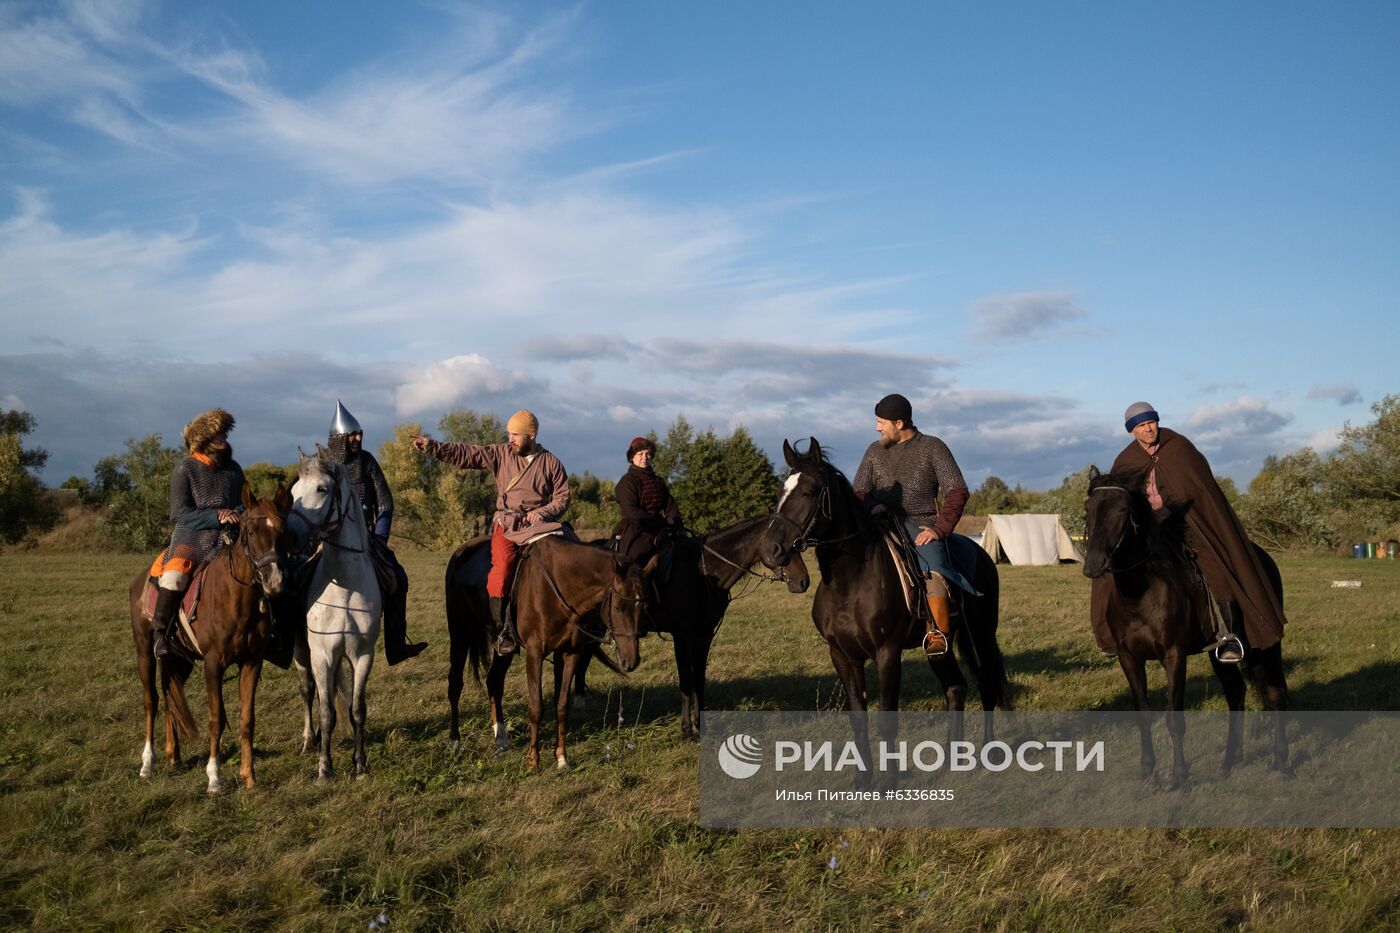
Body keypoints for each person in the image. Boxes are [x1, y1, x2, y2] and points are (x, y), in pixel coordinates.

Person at [1090, 402, 1285, 663]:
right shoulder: (1126, 460)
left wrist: (1171, 508)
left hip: (1186, 524)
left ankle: (1228, 636)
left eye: (1151, 422)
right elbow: (1118, 502)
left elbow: (1199, 491)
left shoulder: (1179, 448)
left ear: (1157, 421)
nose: (1148, 429)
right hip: (1147, 530)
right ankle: (1110, 635)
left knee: (1213, 563)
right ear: (1131, 431)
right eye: (1140, 426)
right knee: (1109, 566)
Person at [411, 410, 570, 655]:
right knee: (504, 565)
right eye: (509, 434)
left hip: (539, 525)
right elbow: (467, 454)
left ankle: (572, 621)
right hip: (507, 524)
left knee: (568, 553)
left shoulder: (551, 463)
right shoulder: (501, 453)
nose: (511, 439)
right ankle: (502, 629)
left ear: (532, 435)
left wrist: (544, 512)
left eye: (516, 435)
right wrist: (433, 447)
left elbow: (562, 497)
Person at [851, 393, 972, 657]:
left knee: (934, 569)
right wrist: (874, 506)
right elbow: (859, 491)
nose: (877, 427)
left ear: (900, 423)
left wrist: (939, 529)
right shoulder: (874, 451)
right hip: (879, 524)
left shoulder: (932, 447)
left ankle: (937, 632)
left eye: (882, 422)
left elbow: (957, 491)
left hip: (921, 525)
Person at [326, 401, 426, 664]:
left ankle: (396, 646)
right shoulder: (324, 465)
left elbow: (385, 504)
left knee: (397, 578)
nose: (358, 438)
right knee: (294, 576)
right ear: (339, 439)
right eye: (352, 434)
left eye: (359, 433)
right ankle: (288, 640)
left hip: (367, 538)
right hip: (327, 539)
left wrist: (379, 539)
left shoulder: (366, 462)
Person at [148, 408, 246, 659]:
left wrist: (235, 512)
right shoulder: (186, 468)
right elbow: (181, 513)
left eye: (225, 431)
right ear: (203, 438)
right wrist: (216, 515)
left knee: (261, 568)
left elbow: (244, 501)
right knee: (174, 577)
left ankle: (270, 632)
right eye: (218, 432)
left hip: (228, 537)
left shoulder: (233, 469)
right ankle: (161, 636)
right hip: (192, 538)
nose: (224, 436)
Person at [613, 436, 682, 565]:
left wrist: (675, 524)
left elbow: (670, 505)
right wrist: (662, 521)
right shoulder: (627, 481)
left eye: (647, 454)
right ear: (632, 457)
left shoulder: (658, 481)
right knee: (637, 564)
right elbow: (631, 511)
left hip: (660, 530)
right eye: (640, 454)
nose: (644, 457)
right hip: (635, 531)